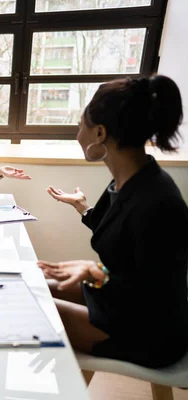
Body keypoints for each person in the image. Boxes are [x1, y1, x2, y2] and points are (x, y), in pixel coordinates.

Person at [37, 75, 188, 368]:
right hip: (124, 304)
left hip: (150, 331)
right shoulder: (130, 180)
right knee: (32, 286)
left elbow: (151, 295)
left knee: (31, 309)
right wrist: (83, 208)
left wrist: (96, 272)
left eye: (81, 126)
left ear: (100, 133)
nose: (78, 135)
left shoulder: (158, 202)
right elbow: (123, 237)